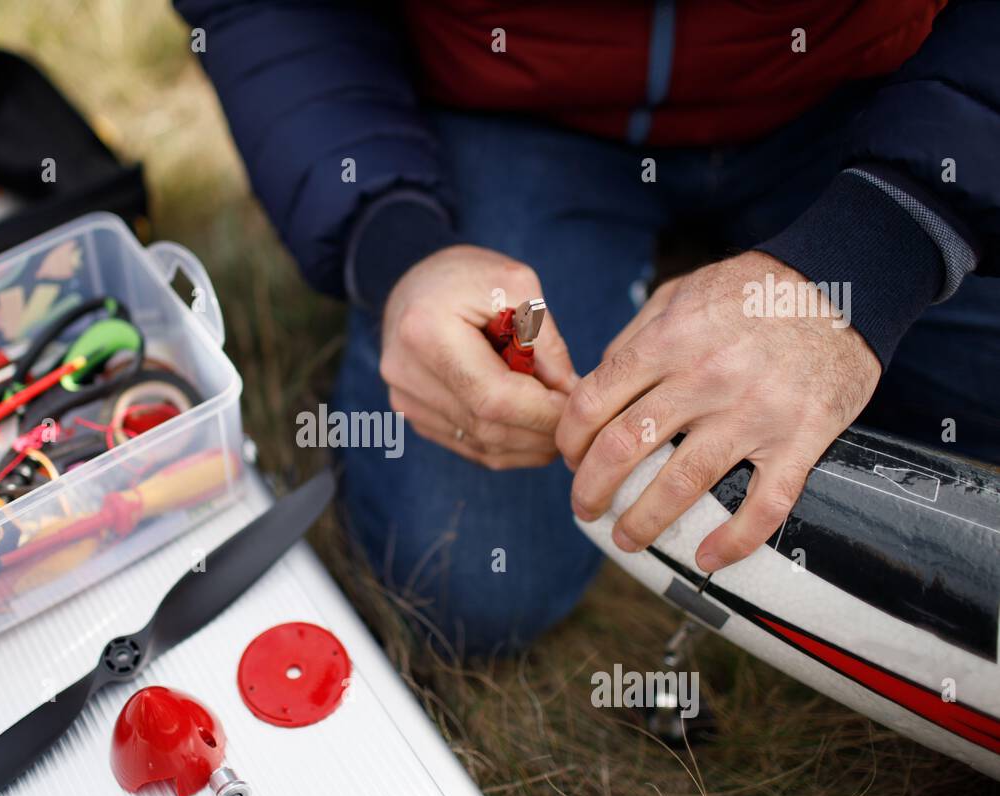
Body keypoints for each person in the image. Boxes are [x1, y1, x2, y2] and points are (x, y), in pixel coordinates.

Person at [175, 0, 1000, 653]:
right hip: (517, 111)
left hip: (874, 102)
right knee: (465, 578)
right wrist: (396, 244)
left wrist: (887, 242)